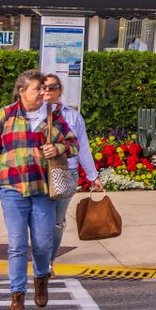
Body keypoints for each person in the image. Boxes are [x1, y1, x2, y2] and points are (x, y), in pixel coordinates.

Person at [0, 69, 73, 310]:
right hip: (12, 188)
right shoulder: (6, 115)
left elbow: (73, 143)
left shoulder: (54, 116)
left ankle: (41, 277)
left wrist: (58, 148)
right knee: (17, 245)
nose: (43, 93)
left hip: (43, 189)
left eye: (45, 89)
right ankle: (17, 297)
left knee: (43, 243)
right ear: (22, 92)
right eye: (38, 89)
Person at [38, 74, 98, 264]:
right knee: (40, 220)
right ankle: (41, 260)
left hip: (66, 171)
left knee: (56, 222)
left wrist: (93, 176)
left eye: (52, 87)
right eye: (44, 86)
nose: (48, 90)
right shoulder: (33, 113)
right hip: (39, 172)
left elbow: (83, 147)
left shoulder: (72, 116)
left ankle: (48, 261)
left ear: (59, 90)